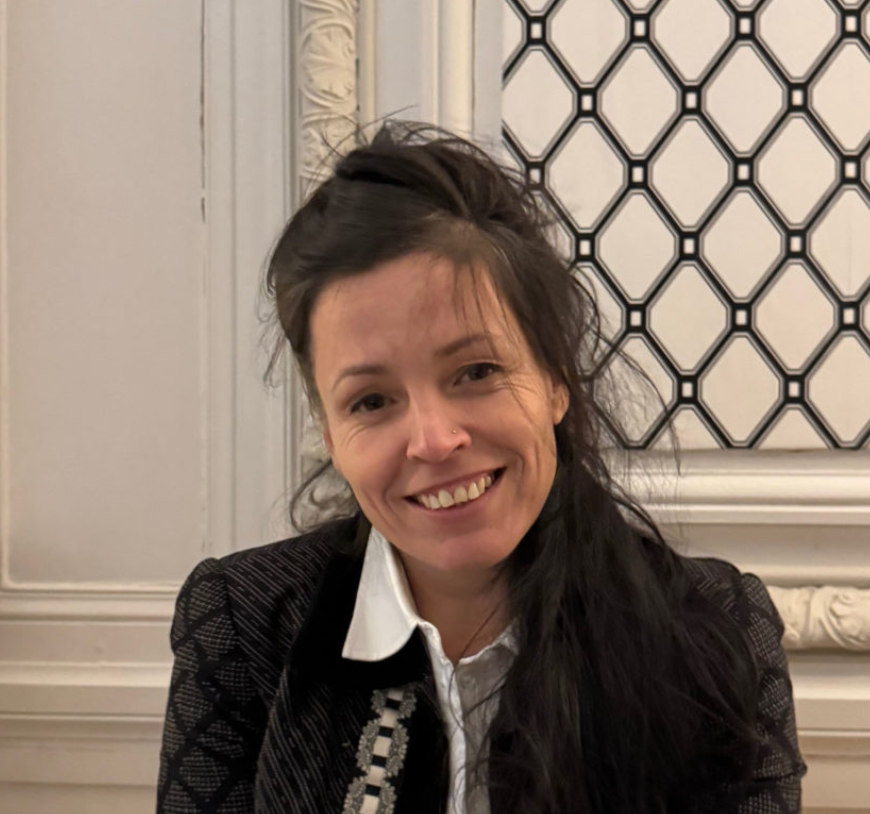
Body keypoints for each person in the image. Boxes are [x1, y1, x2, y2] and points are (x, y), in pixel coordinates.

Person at [157, 122, 807, 814]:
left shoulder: (719, 629)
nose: (434, 441)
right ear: (331, 433)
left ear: (555, 378)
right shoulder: (241, 626)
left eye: (476, 371)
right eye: (371, 401)